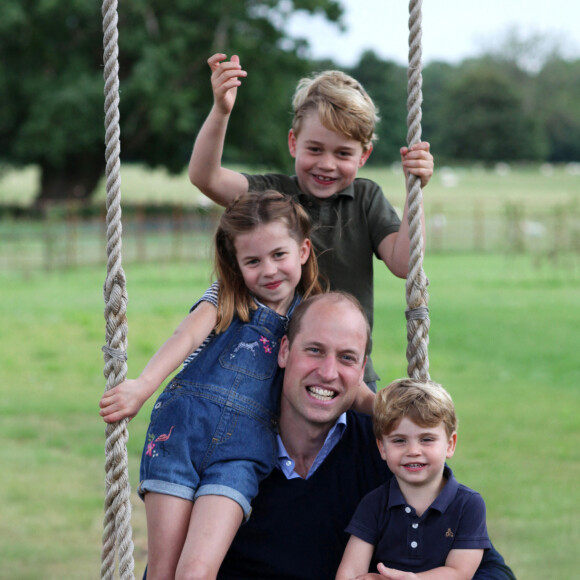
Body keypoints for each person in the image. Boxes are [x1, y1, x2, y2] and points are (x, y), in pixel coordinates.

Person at [100, 191, 374, 580]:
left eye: (279, 255)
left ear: (303, 250)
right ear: (236, 264)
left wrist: (395, 412)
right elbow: (184, 338)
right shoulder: (227, 299)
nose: (269, 270)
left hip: (243, 454)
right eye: (253, 261)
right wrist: (142, 387)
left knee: (197, 570)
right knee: (162, 570)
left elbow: (354, 389)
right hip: (182, 434)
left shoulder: (309, 317)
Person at [216, 292, 516, 580]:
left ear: (362, 371)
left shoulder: (389, 450)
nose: (328, 372)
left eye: (346, 358)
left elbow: (490, 571)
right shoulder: (223, 444)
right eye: (315, 350)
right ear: (284, 350)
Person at [188, 53, 435, 391]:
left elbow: (404, 263)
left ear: (364, 156)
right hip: (272, 374)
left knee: (359, 442)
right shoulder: (273, 195)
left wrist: (414, 190)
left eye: (343, 153)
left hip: (348, 374)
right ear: (293, 143)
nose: (327, 164)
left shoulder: (366, 199)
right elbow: (206, 177)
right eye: (315, 149)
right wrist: (221, 110)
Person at [336, 379, 490, 580]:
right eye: (399, 441)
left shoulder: (468, 505)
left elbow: (459, 572)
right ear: (382, 447)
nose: (413, 451)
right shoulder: (374, 504)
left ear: (450, 444)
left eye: (427, 439)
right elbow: (349, 572)